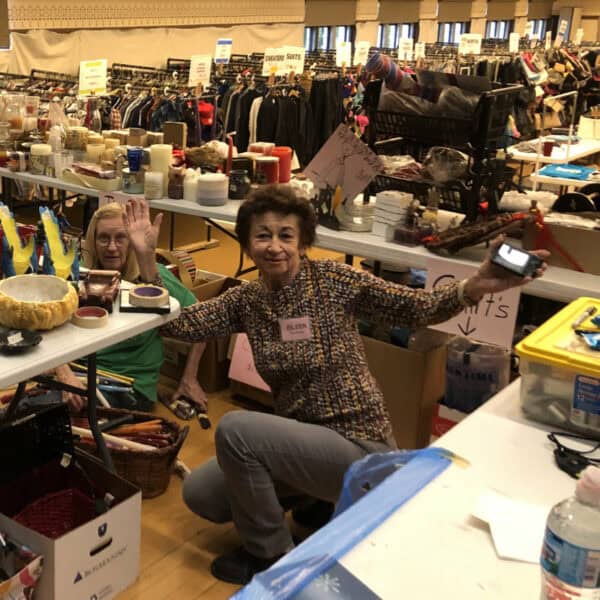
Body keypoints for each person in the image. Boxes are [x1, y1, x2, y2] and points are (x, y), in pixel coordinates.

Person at [141, 186, 548, 585]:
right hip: (305, 441)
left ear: (303, 242)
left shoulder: (333, 281)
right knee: (201, 494)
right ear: (248, 243)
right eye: (263, 235)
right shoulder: (247, 300)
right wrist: (146, 263)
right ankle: (316, 501)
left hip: (360, 446)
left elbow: (416, 307)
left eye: (286, 235)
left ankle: (271, 557)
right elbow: (182, 324)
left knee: (235, 430)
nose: (275, 246)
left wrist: (474, 285)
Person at [55, 200, 208, 413]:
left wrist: (189, 378)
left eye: (120, 238)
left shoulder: (153, 277)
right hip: (79, 373)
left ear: (131, 240)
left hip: (129, 386)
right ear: (92, 241)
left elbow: (202, 319)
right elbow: (50, 327)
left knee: (48, 413)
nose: (111, 247)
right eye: (103, 238)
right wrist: (64, 373)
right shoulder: (81, 275)